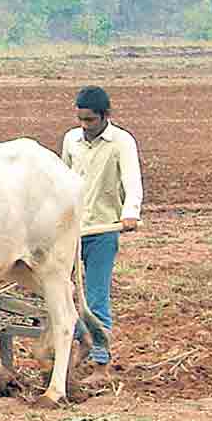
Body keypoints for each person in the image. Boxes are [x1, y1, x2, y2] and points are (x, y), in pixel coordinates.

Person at [60, 86, 143, 385]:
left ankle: (100, 365)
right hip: (70, 231)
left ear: (106, 115)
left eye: (90, 120)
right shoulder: (71, 140)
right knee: (62, 295)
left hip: (102, 230)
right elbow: (61, 182)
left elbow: (132, 180)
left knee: (96, 298)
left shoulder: (121, 142)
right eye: (81, 119)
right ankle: (77, 346)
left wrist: (130, 212)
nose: (85, 126)